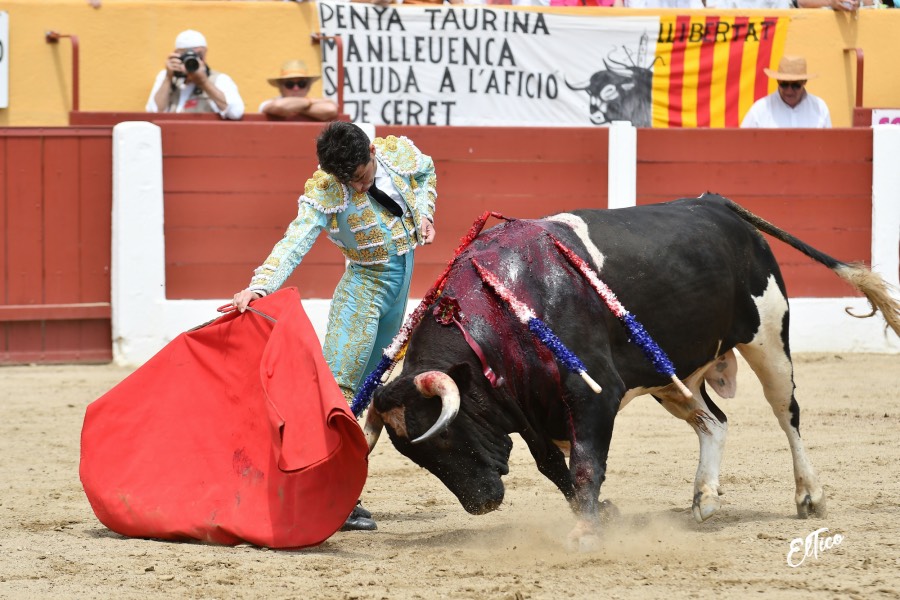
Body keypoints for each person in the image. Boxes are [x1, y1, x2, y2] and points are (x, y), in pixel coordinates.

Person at [232, 121, 437, 531]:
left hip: (399, 289)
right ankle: (328, 495)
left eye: (361, 177)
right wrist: (260, 285)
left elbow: (426, 171)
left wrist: (426, 213)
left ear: (372, 153)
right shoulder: (327, 190)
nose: (358, 188)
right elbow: (296, 240)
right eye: (349, 183)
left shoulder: (397, 155)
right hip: (363, 291)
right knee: (338, 390)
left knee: (366, 389)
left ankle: (337, 488)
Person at [145, 30, 244, 120]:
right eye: (185, 55)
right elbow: (153, 113)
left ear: (205, 54)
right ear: (176, 54)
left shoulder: (219, 79)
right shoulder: (166, 76)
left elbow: (236, 113)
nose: (192, 60)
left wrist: (204, 82)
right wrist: (168, 78)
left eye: (198, 55)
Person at [741, 55, 832, 128]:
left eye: (795, 85)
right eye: (784, 84)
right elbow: (742, 142)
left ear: (804, 82)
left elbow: (828, 143)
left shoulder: (819, 108)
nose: (789, 91)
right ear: (778, 81)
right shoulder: (760, 110)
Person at [259, 60, 339, 122]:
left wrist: (294, 107)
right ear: (280, 87)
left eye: (301, 84)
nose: (296, 88)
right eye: (289, 84)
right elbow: (279, 106)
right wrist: (312, 101)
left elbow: (330, 109)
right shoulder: (268, 103)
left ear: (308, 87)